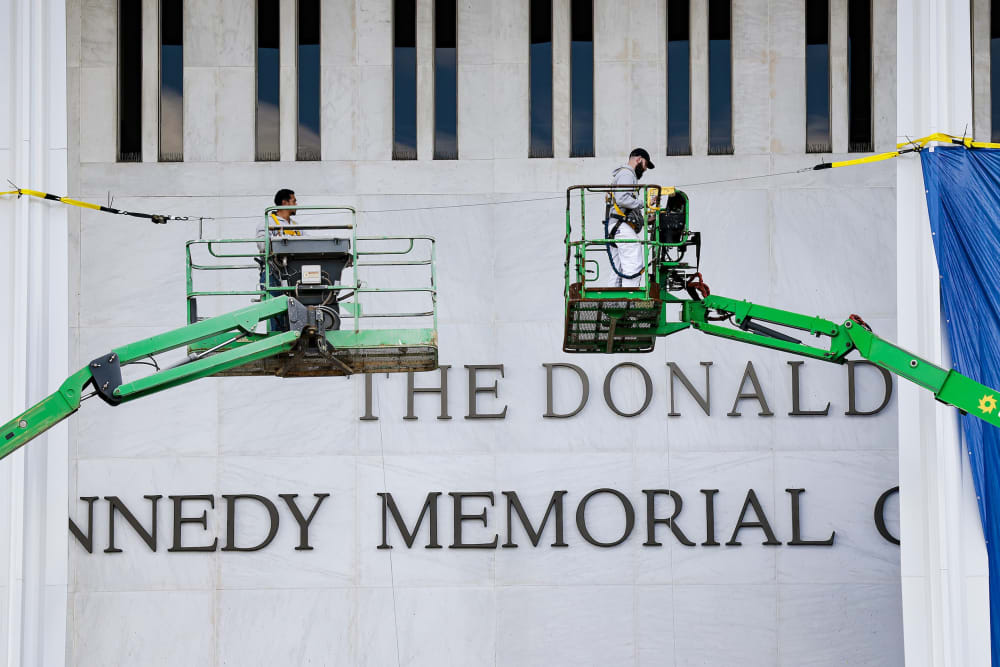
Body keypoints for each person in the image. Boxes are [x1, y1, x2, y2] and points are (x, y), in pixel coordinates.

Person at [607, 148, 655, 288]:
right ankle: (630, 296)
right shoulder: (627, 174)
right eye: (646, 165)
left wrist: (644, 220)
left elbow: (626, 206)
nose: (645, 169)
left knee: (618, 267)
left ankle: (612, 299)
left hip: (616, 226)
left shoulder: (624, 175)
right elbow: (622, 199)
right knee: (634, 261)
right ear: (639, 159)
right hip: (620, 226)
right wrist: (644, 203)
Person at [256, 188, 301, 331]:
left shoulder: (295, 226)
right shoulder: (268, 222)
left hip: (294, 275)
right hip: (274, 274)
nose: (297, 204)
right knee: (277, 314)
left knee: (294, 313)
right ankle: (279, 347)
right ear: (284, 202)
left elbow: (309, 243)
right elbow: (262, 245)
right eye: (294, 201)